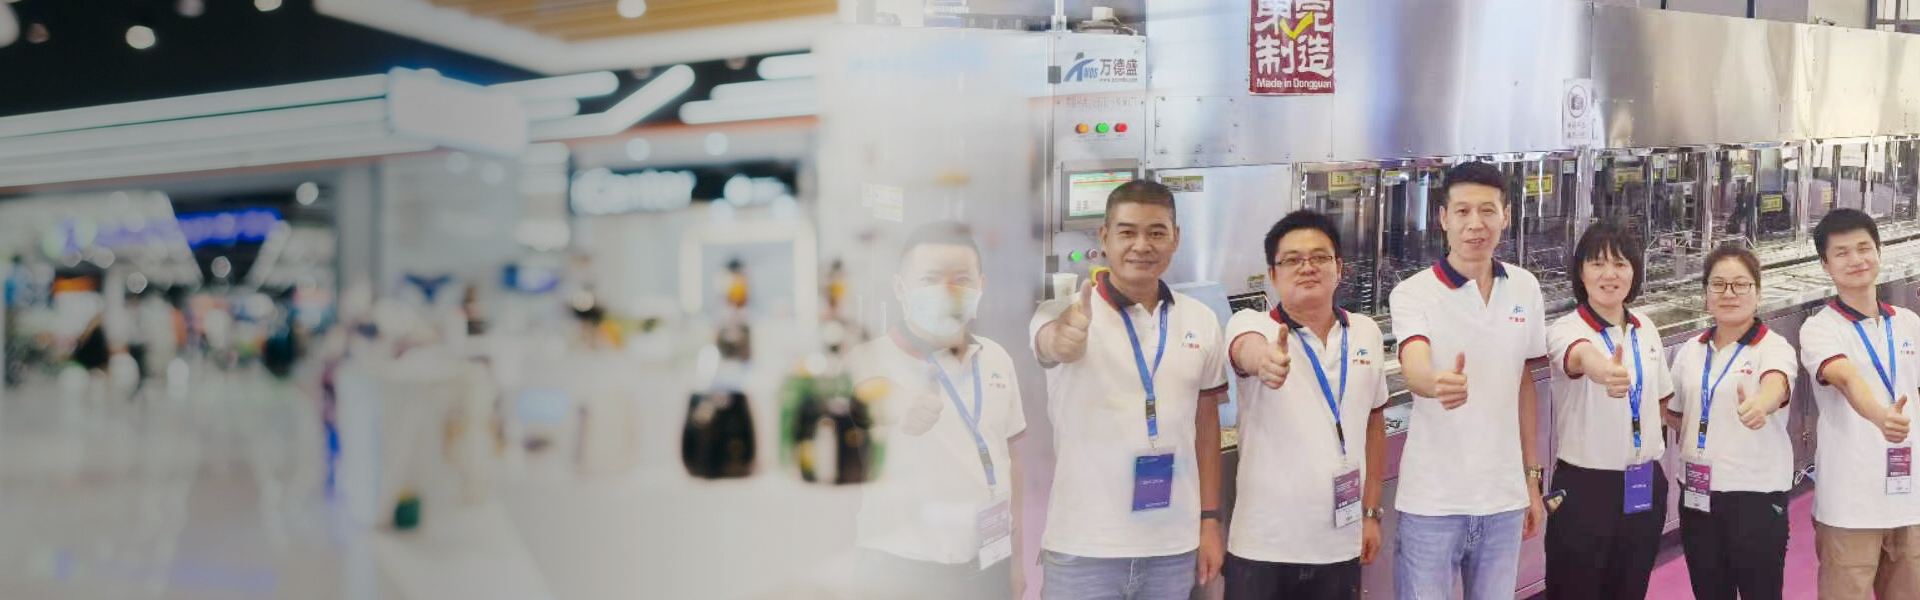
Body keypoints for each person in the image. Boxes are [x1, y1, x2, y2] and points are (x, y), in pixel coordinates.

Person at [1031, 180, 1229, 599]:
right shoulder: (1061, 311)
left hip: (1172, 549)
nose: (1142, 245)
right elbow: (1052, 341)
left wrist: (1210, 520)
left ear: (1175, 238)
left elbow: (1206, 425)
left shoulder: (1201, 320)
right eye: (1127, 232)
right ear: (1104, 237)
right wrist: (1064, 337)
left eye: (1156, 232)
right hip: (1085, 549)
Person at [1387, 161, 1549, 600]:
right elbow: (1414, 363)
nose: (1475, 224)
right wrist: (1434, 382)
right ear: (1443, 218)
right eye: (1462, 211)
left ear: (1506, 215)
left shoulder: (1525, 287)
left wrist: (1531, 479)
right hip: (1433, 503)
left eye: (1487, 210)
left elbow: (1523, 384)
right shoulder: (1413, 293)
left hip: (1503, 500)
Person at [843, 221, 1027, 599]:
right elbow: (869, 397)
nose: (947, 292)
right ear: (901, 289)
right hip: (900, 574)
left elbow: (1011, 459)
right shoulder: (867, 359)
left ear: (981, 286)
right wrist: (901, 405)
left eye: (961, 279)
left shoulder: (996, 357)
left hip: (988, 565)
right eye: (929, 279)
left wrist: (1016, 560)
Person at [1220, 210, 1388, 600]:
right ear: (1273, 274)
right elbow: (1245, 349)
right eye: (1292, 260)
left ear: (1339, 268)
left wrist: (1371, 511)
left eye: (1319, 257)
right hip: (1263, 549)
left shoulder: (1365, 332)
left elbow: (1374, 424)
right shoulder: (1254, 325)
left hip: (1340, 546)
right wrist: (1263, 360)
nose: (1307, 267)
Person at [1542, 222, 1675, 599]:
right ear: (1581, 273)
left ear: (1634, 271)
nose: (1609, 274)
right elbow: (1581, 356)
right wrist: (1605, 372)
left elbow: (1661, 399)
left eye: (1620, 264)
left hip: (1643, 481)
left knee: (1630, 587)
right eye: (1597, 264)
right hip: (1586, 487)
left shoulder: (1645, 326)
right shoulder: (1565, 328)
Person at [1664, 244, 1798, 600]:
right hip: (1697, 495)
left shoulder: (1774, 347)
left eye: (1740, 284)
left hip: (1756, 497)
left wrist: (1760, 405)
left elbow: (1776, 383)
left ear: (1757, 292)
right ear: (1706, 294)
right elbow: (1676, 413)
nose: (1729, 293)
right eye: (1718, 285)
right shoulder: (1691, 350)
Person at [1798, 208, 1920, 599]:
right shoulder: (1820, 328)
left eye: (1864, 248)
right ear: (1825, 265)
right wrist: (1880, 416)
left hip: (1910, 501)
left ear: (1879, 252)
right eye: (1842, 252)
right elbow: (1846, 378)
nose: (1856, 260)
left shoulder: (1908, 322)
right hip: (1850, 504)